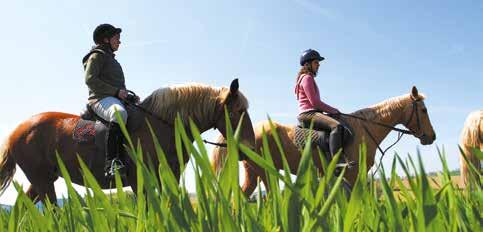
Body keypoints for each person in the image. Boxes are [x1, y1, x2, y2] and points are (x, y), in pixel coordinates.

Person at [82, 23, 138, 178]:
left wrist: (129, 97)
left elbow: (117, 88)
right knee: (119, 114)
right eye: (117, 38)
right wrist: (116, 92)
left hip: (112, 98)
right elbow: (90, 80)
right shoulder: (97, 55)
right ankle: (112, 163)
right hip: (99, 99)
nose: (119, 42)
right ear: (106, 39)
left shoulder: (112, 60)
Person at [294, 49, 353, 159]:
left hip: (312, 113)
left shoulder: (306, 78)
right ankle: (337, 162)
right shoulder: (307, 78)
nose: (318, 65)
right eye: (316, 62)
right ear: (307, 64)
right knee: (336, 126)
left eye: (318, 63)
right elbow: (315, 103)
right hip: (308, 114)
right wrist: (333, 110)